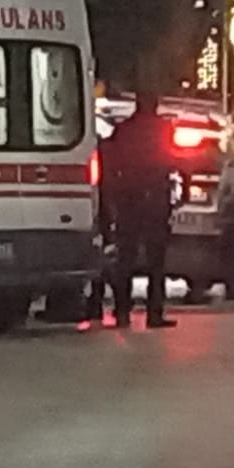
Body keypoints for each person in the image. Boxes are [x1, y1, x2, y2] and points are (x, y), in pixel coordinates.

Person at [103, 91, 179, 329]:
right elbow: (171, 159)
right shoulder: (163, 129)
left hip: (129, 198)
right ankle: (154, 313)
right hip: (155, 198)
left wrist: (114, 194)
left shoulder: (124, 129)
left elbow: (111, 161)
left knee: (126, 256)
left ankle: (122, 311)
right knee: (156, 260)